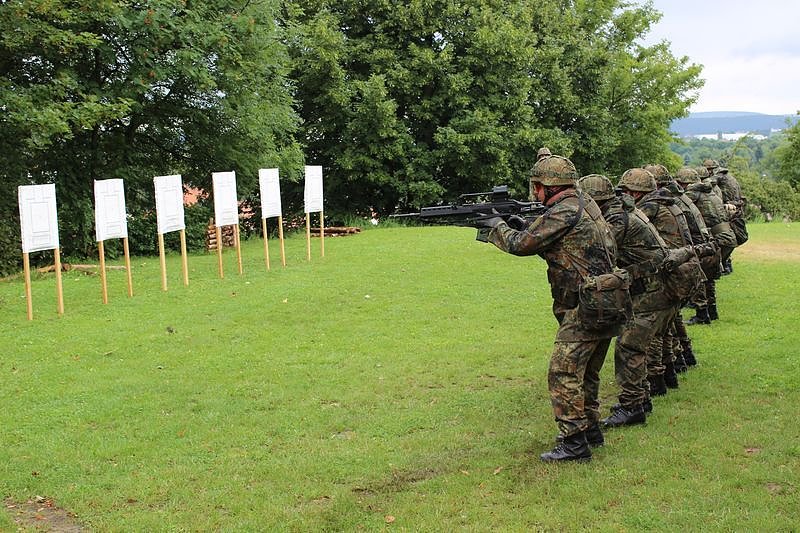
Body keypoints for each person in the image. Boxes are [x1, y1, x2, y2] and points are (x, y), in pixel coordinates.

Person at [478, 155, 620, 463]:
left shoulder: (564, 210)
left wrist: (495, 226)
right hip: (607, 300)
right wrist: (523, 225)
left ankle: (574, 444)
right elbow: (567, 248)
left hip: (586, 306)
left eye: (537, 187)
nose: (535, 192)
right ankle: (590, 431)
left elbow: (521, 245)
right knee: (586, 372)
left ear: (547, 187)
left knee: (563, 373)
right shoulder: (584, 203)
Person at [577, 174, 671, 426]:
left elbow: (596, 251)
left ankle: (633, 407)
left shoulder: (616, 219)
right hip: (655, 286)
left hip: (652, 290)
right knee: (634, 345)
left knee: (629, 346)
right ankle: (641, 400)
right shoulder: (618, 211)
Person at [617, 168, 703, 396]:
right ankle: (676, 364)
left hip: (670, 272)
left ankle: (657, 379)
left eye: (626, 191)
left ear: (635, 192)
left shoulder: (650, 207)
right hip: (682, 270)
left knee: (654, 331)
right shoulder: (669, 202)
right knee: (668, 325)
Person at [676, 167, 737, 322]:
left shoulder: (692, 194)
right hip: (726, 237)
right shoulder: (710, 191)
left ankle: (702, 313)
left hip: (717, 237)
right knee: (708, 277)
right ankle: (711, 311)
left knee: (699, 275)